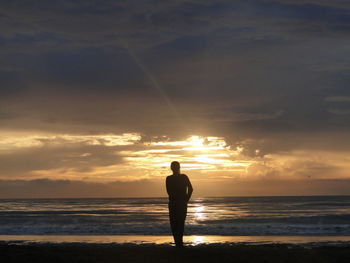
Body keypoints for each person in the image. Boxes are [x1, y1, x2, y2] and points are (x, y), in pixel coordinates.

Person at [166, 161, 193, 247]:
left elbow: (169, 192)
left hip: (174, 202)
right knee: (180, 222)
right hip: (180, 202)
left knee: (174, 223)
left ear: (171, 168)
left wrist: (185, 200)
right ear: (179, 167)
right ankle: (179, 242)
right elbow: (191, 189)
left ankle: (178, 242)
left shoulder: (169, 178)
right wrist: (186, 200)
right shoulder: (183, 177)